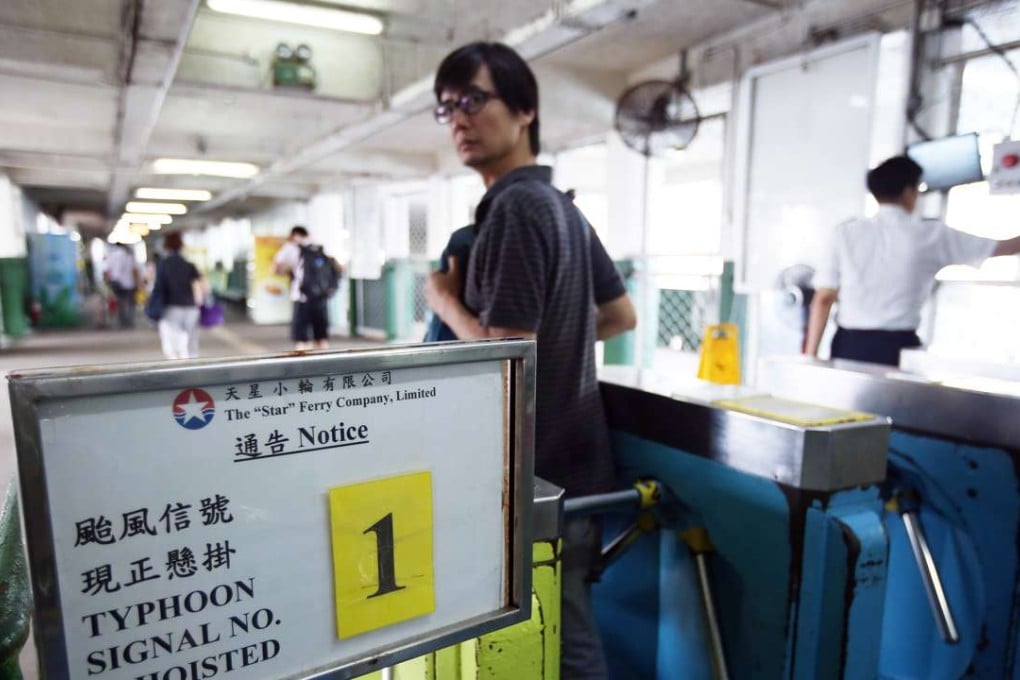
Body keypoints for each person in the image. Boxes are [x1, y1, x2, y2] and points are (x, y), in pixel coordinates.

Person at [423, 42, 637, 679]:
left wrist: (442, 300)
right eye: (446, 108)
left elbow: (505, 355)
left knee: (562, 647)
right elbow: (620, 315)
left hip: (537, 476)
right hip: (579, 469)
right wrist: (557, 339)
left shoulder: (516, 209)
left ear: (524, 112)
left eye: (473, 99)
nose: (459, 118)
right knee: (567, 631)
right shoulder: (565, 209)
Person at [806, 155, 1020, 366]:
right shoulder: (931, 234)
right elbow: (1003, 247)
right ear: (909, 192)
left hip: (847, 345)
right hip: (898, 349)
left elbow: (824, 298)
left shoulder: (844, 233)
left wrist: (810, 357)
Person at [273, 225, 337, 350]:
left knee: (301, 326)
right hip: (320, 293)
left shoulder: (291, 247)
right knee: (320, 325)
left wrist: (288, 273)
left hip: (301, 293)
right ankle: (322, 344)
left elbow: (276, 267)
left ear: (293, 235)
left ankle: (302, 347)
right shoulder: (318, 247)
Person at [151, 232, 204, 360]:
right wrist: (199, 302)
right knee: (191, 342)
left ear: (166, 246)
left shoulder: (163, 265)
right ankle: (192, 365)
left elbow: (158, 287)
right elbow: (200, 285)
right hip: (191, 308)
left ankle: (178, 367)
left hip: (171, 307)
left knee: (173, 344)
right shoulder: (189, 264)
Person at [103, 243, 139, 328]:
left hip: (116, 282)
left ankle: (122, 321)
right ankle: (129, 321)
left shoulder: (112, 255)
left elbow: (107, 270)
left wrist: (107, 281)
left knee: (120, 302)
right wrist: (137, 282)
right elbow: (134, 270)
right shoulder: (129, 255)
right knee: (130, 302)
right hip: (129, 283)